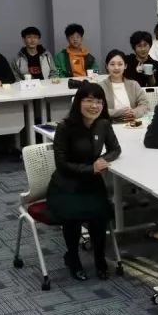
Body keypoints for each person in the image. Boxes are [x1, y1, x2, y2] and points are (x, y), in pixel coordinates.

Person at [47, 82, 121, 281]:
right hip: (66, 185)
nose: (94, 106)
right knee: (73, 217)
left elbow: (115, 149)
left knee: (100, 216)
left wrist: (103, 160)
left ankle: (100, 259)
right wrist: (91, 169)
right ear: (78, 102)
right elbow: (62, 164)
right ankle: (73, 258)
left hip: (91, 183)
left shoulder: (103, 124)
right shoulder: (65, 127)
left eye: (99, 102)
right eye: (89, 101)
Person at [97, 49, 149, 123]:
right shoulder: (100, 86)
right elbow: (98, 108)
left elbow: (145, 104)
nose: (116, 68)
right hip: (110, 124)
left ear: (125, 66)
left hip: (132, 123)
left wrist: (134, 112)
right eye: (112, 64)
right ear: (107, 66)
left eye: (120, 64)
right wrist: (120, 112)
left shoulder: (133, 85)